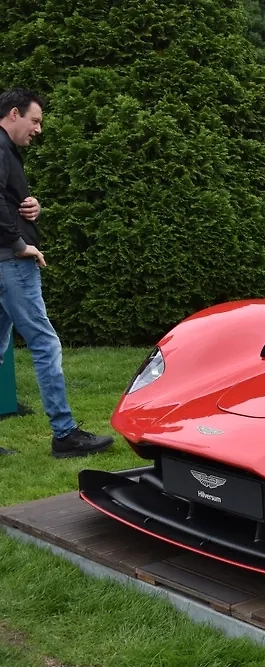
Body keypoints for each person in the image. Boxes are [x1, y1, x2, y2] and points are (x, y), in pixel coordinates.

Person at [0, 88, 114, 458]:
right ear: (13, 114)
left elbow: (5, 199)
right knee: (45, 345)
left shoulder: (6, 150)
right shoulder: (0, 147)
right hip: (11, 263)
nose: (38, 130)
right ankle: (65, 434)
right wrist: (20, 244)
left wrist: (30, 205)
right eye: (35, 121)